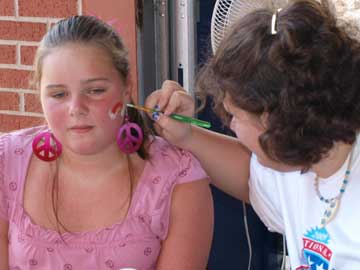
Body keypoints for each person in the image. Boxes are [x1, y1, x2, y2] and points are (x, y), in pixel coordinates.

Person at [145, 0, 360, 269]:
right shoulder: (306, 160)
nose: (231, 126)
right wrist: (187, 136)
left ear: (273, 121)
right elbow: (252, 179)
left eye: (235, 116)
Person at [0, 15, 213, 269]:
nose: (76, 108)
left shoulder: (177, 178)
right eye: (59, 94)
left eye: (95, 90)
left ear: (126, 88)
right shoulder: (6, 162)